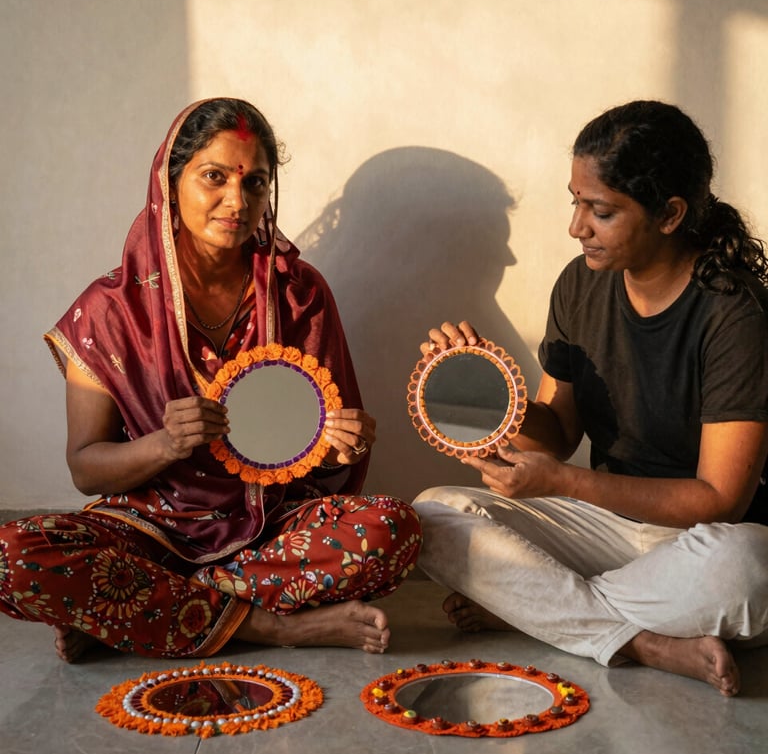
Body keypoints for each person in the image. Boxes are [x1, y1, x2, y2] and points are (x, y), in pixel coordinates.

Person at [0, 97, 421, 662]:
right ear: (169, 185)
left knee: (393, 530)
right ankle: (279, 628)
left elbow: (320, 454)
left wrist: (340, 446)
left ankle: (134, 612)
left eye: (255, 184)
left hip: (272, 525)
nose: (236, 201)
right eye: (214, 177)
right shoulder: (110, 309)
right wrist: (164, 445)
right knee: (14, 553)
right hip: (151, 529)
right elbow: (84, 467)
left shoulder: (300, 294)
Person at [413, 99, 768, 697]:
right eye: (575, 202)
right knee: (429, 514)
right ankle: (640, 640)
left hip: (699, 544)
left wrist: (564, 484)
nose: (576, 227)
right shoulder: (580, 283)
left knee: (750, 569)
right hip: (603, 530)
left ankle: (537, 607)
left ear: (670, 214)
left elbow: (720, 500)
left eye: (600, 211)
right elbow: (557, 430)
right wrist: (486, 380)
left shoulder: (733, 312)